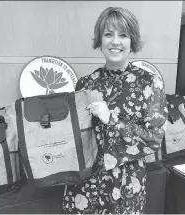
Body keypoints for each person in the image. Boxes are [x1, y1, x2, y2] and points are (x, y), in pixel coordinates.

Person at [62, 6, 168, 214]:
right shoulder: (86, 84)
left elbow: (153, 138)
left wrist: (111, 120)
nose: (115, 41)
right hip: (86, 183)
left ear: (132, 41)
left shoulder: (148, 82)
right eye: (108, 34)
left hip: (126, 183)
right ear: (100, 40)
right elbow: (76, 137)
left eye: (123, 35)